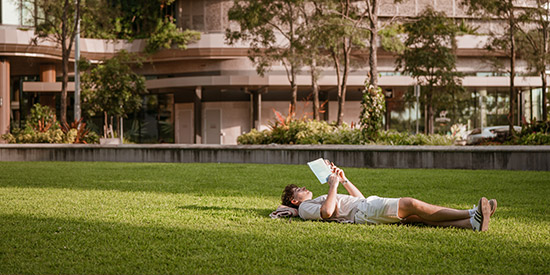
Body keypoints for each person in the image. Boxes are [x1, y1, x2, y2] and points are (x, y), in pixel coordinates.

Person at [281, 162, 497, 231]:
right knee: (411, 203)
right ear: (294, 200)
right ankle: (473, 213)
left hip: (365, 206)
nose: (304, 187)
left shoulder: (313, 199)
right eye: (299, 189)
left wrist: (344, 180)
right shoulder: (304, 208)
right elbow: (327, 213)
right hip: (364, 212)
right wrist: (333, 185)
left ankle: (471, 223)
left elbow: (359, 198)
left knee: (418, 217)